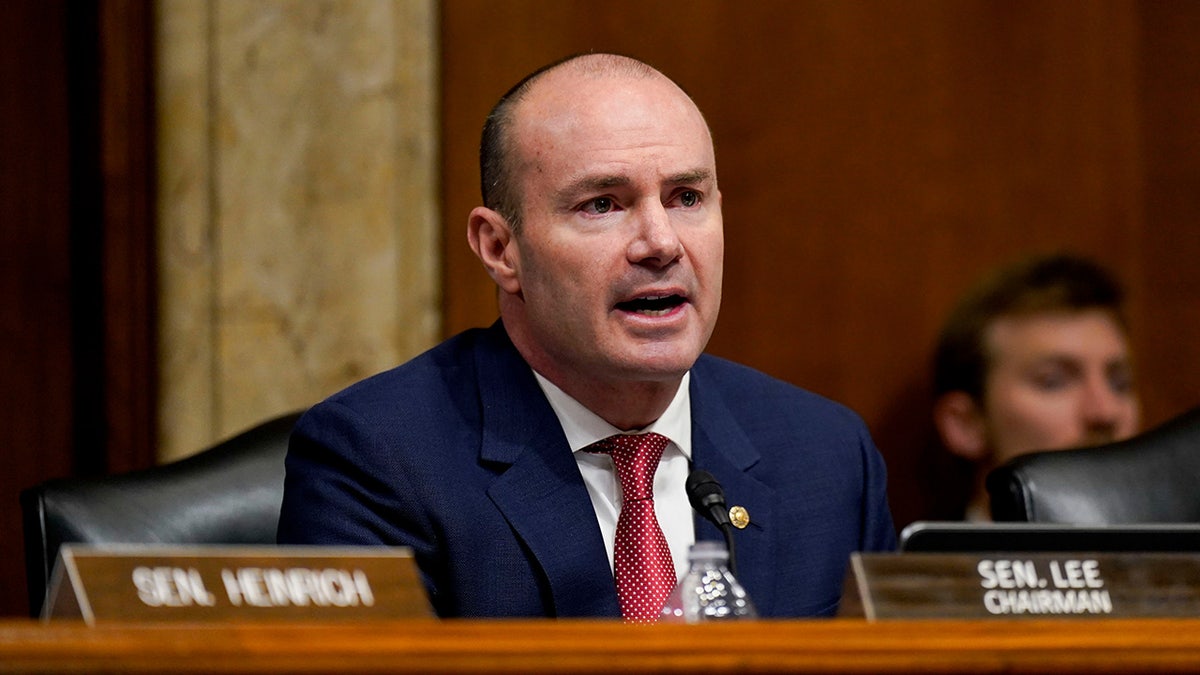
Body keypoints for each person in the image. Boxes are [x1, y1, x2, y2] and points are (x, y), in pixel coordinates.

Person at [277, 53, 895, 620]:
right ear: (500, 248)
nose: (661, 243)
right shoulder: (379, 459)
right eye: (602, 204)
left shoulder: (826, 456)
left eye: (686, 197)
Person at [931, 253, 1141, 520]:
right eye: (1054, 382)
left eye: (1120, 384)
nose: (1105, 412)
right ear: (965, 424)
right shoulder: (909, 562)